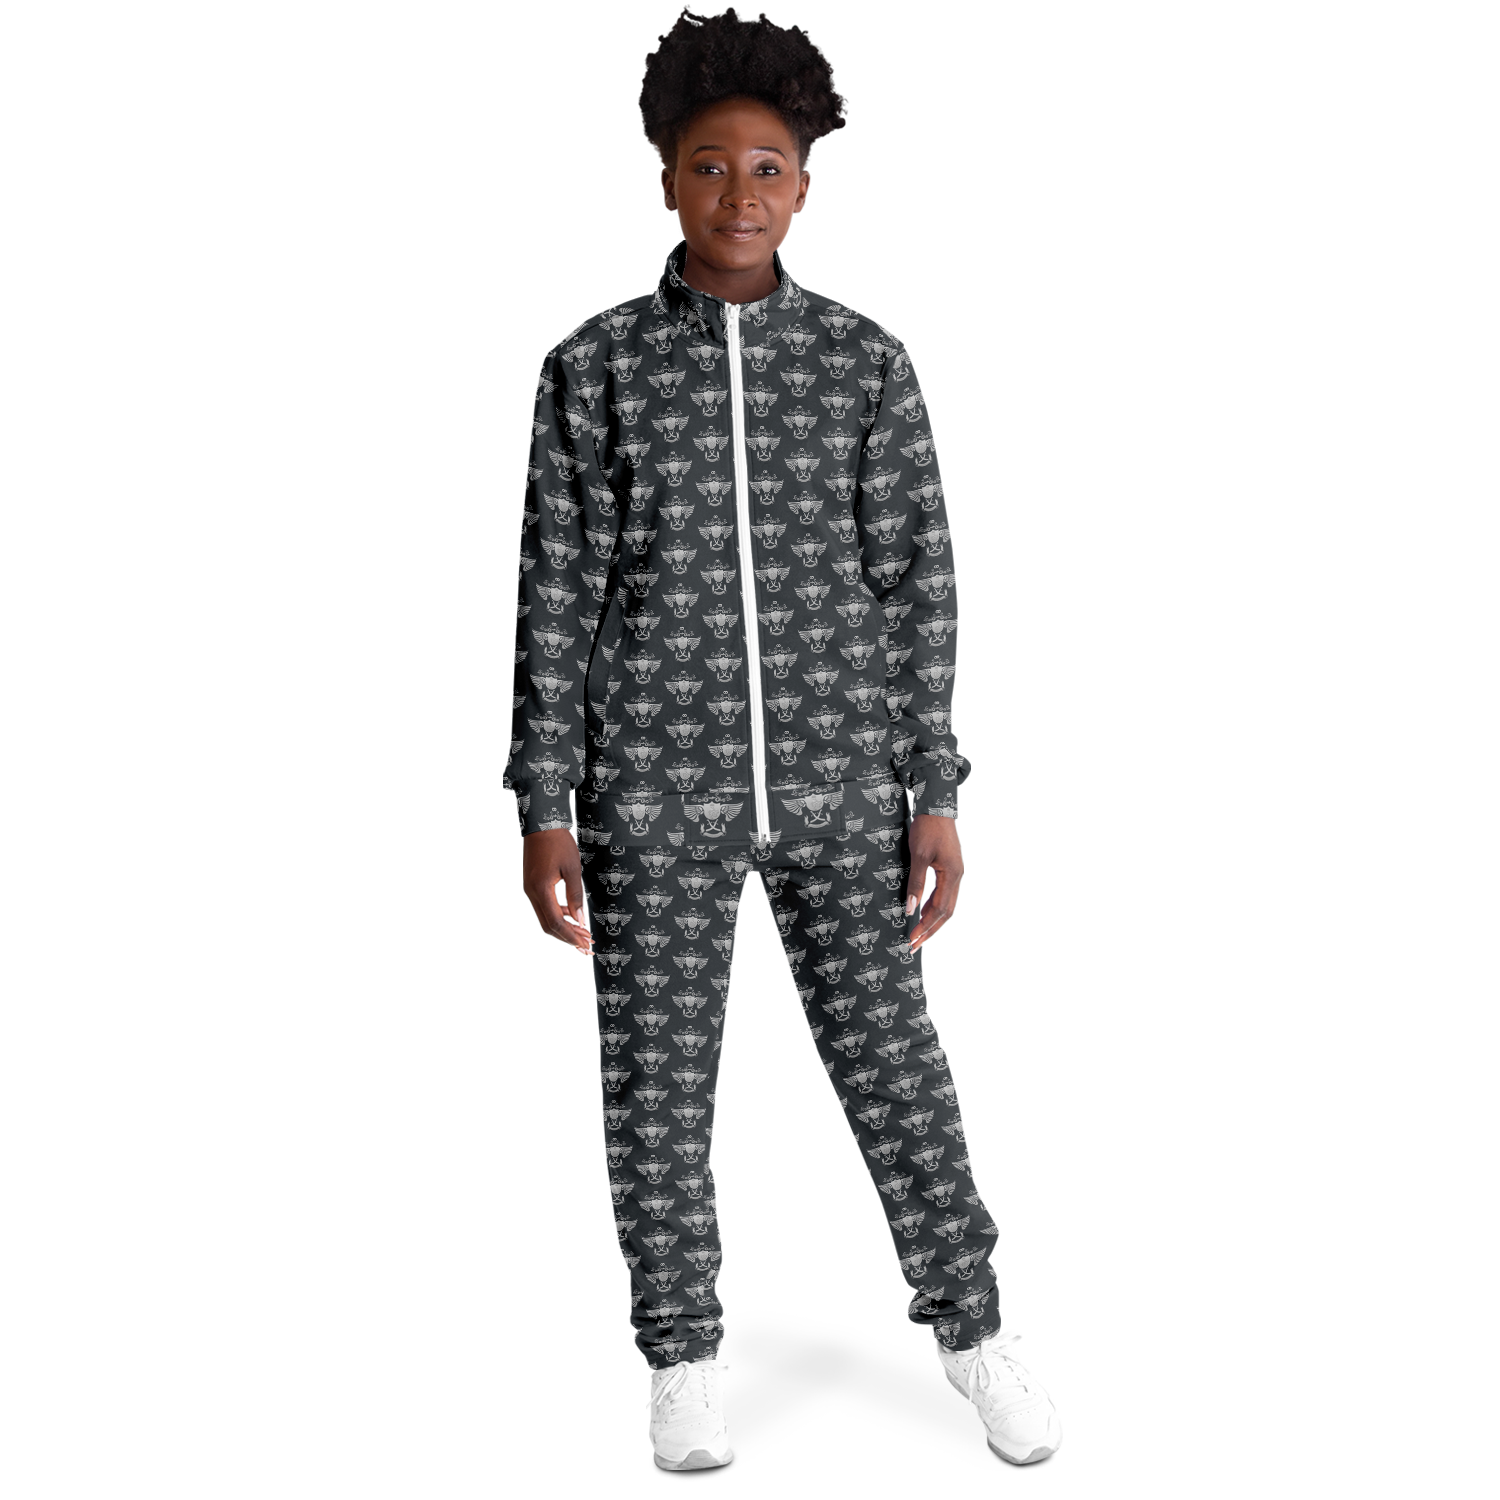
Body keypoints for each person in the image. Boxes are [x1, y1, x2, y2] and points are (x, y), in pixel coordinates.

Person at [506, 4, 1062, 1471]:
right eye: (710, 165)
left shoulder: (864, 362)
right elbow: (554, 594)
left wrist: (934, 792)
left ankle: (977, 1336)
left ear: (806, 186)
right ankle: (684, 1365)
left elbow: (919, 583)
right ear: (665, 179)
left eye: (767, 168)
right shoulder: (594, 366)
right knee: (654, 1094)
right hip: (652, 797)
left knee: (900, 1076)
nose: (739, 193)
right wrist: (544, 802)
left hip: (841, 790)